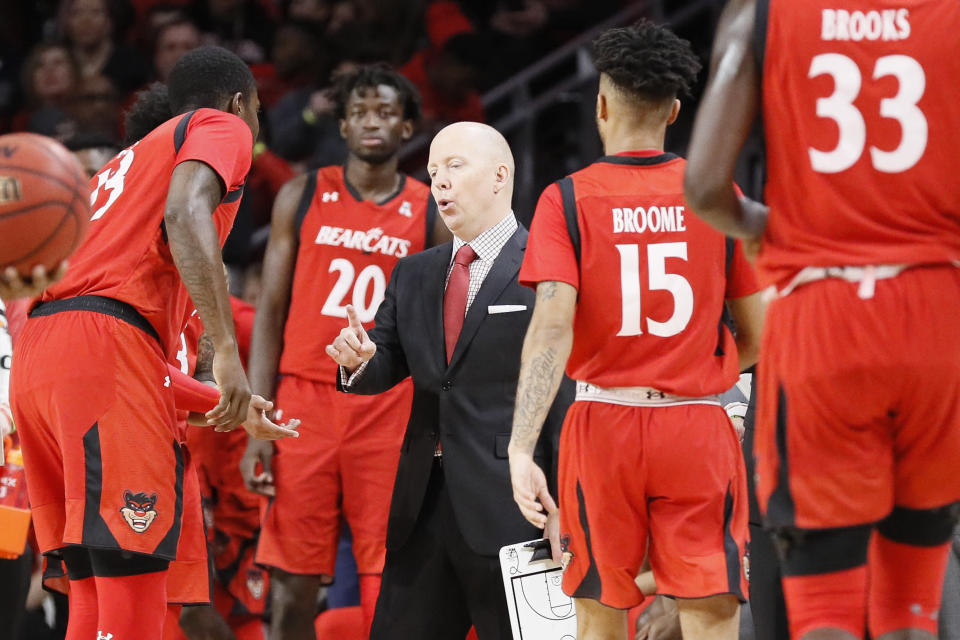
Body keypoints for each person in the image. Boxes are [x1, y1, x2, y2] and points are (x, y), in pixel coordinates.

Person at [684, 1, 960, 638]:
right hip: (935, 311)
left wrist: (762, 227)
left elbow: (702, 185)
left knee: (826, 611)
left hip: (823, 310)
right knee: (913, 605)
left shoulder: (763, 14)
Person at [9, 46, 298, 640]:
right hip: (104, 347)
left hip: (45, 352)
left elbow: (124, 347)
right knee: (134, 564)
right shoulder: (221, 125)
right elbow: (187, 213)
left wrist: (224, 401)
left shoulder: (120, 166)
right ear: (241, 103)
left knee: (95, 572)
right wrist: (228, 358)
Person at [509, 21, 763, 640]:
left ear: (599, 104)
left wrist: (521, 445)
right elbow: (760, 332)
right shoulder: (713, 194)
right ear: (676, 109)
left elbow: (551, 327)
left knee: (598, 617)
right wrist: (708, 372)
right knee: (711, 617)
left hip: (602, 425)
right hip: (697, 425)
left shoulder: (566, 198)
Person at [326, 120, 573, 640]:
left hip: (514, 508)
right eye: (434, 170)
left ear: (501, 175)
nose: (439, 182)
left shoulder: (548, 263)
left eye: (455, 167)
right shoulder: (414, 272)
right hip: (421, 509)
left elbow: (565, 395)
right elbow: (384, 362)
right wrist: (358, 359)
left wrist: (570, 505)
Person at [240, 64, 449, 640]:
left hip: (387, 404)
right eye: (359, 112)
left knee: (386, 581)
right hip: (302, 401)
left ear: (409, 127)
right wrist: (259, 417)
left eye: (385, 112)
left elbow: (437, 330)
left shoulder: (430, 209)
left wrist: (435, 426)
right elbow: (271, 315)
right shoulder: (301, 193)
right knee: (292, 588)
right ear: (343, 124)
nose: (371, 122)